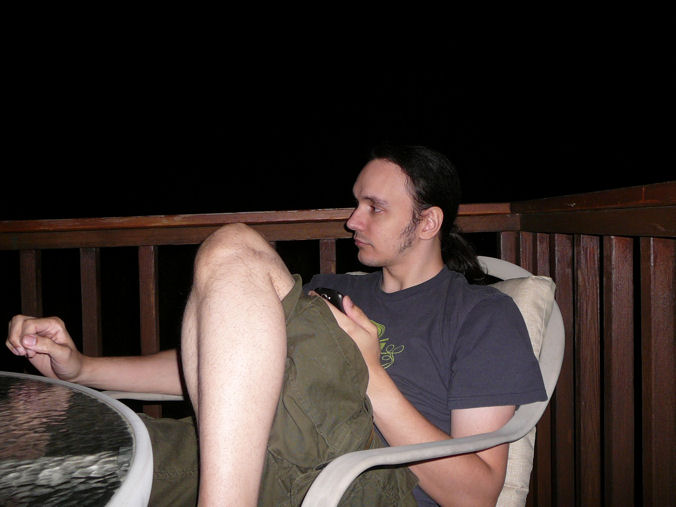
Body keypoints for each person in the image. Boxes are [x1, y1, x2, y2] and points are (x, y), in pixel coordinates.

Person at [6, 145, 546, 506]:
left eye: (374, 207)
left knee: (233, 246)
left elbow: (475, 494)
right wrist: (82, 368)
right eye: (355, 203)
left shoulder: (482, 314)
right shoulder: (333, 288)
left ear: (427, 222)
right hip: (246, 457)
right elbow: (226, 366)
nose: (351, 220)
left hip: (366, 482)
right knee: (42, 455)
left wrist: (371, 376)